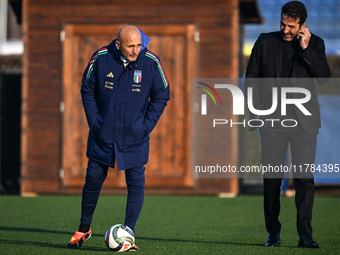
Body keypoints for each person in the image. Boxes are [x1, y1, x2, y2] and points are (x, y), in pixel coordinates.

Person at [67, 25, 170, 250]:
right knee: (93, 178)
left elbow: (162, 94)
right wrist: (95, 123)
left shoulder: (151, 62)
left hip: (135, 136)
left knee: (136, 183)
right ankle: (84, 228)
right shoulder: (101, 58)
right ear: (118, 45)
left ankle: (128, 232)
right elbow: (87, 88)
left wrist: (145, 126)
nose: (136, 51)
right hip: (102, 135)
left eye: (138, 45)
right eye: (130, 46)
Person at [245, 1, 330, 248]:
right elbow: (251, 79)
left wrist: (305, 49)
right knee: (272, 179)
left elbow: (324, 79)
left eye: (291, 26)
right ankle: (273, 233)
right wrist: (255, 113)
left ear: (303, 26)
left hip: (304, 123)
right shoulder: (264, 41)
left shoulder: (315, 44)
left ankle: (305, 236)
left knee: (304, 179)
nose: (285, 29)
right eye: (283, 24)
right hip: (272, 121)